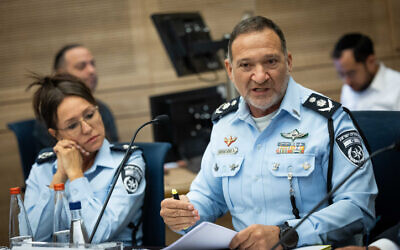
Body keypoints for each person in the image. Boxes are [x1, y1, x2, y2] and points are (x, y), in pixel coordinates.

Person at [160, 16, 377, 249]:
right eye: (246, 65)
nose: (260, 76)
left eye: (271, 62)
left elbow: (358, 208)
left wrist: (288, 234)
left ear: (289, 62)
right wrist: (185, 212)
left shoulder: (329, 121)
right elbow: (209, 197)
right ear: (230, 70)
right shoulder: (224, 124)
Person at [24, 74, 145, 245]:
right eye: (72, 125)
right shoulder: (42, 168)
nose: (87, 129)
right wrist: (59, 176)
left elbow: (97, 236)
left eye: (89, 115)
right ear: (56, 134)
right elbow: (29, 241)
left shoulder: (128, 163)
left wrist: (75, 175)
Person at [33, 44, 119, 153]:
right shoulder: (47, 120)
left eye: (90, 115)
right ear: (61, 74)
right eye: (81, 66)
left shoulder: (103, 108)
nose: (91, 70)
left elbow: (115, 150)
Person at [332, 33, 400, 111]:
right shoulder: (347, 88)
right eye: (341, 74)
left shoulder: (397, 87)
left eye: (351, 73)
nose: (347, 82)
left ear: (371, 62)